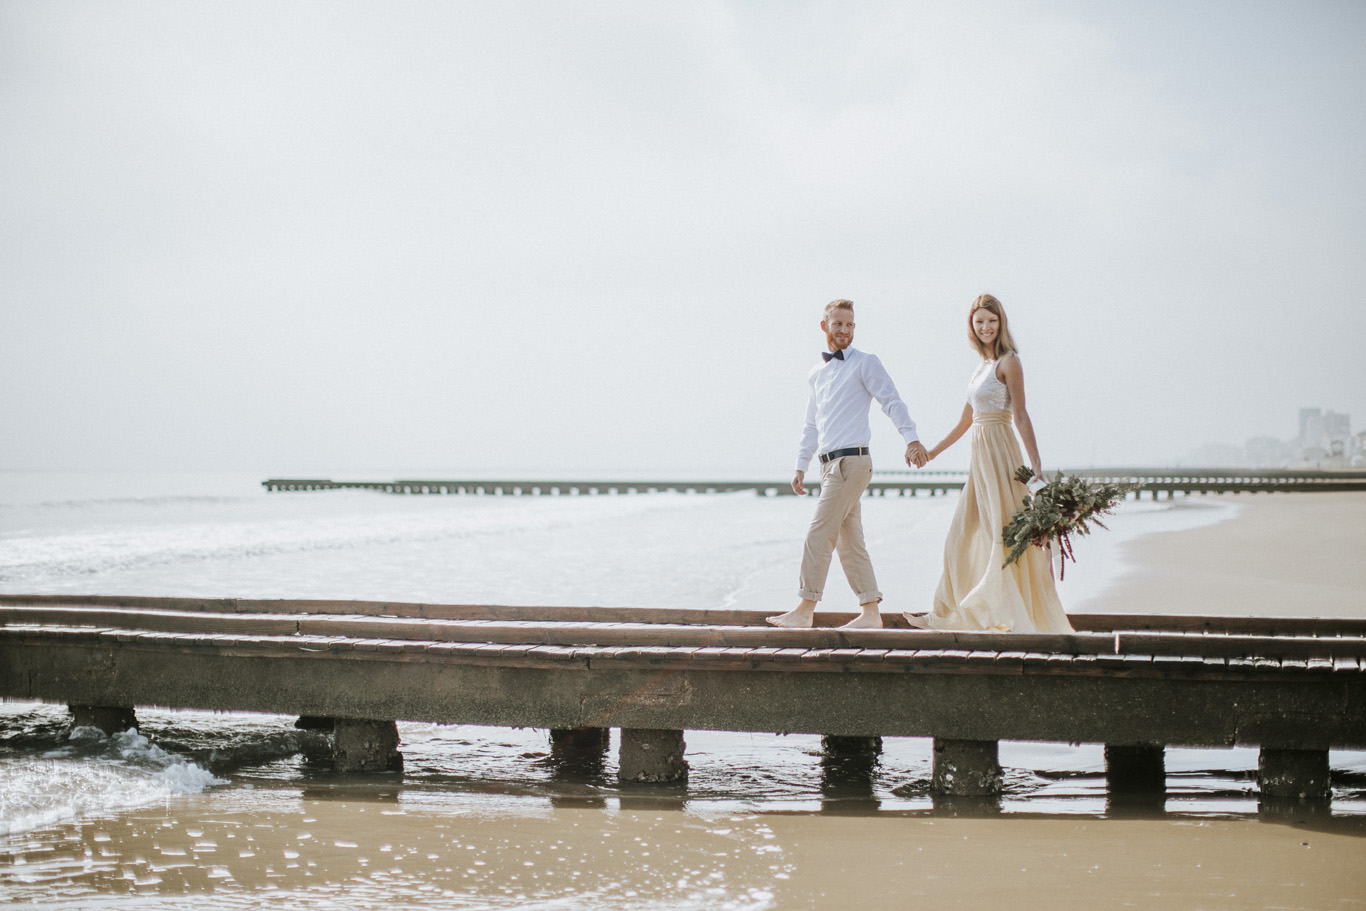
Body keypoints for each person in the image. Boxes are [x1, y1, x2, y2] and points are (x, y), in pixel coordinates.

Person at [907, 294, 1073, 633]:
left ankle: (1002, 613)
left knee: (1004, 533)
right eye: (980, 321)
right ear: (972, 325)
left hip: (1001, 454)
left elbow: (1021, 416)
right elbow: (965, 421)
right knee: (960, 534)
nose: (985, 327)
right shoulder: (980, 366)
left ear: (1001, 323)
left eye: (991, 321)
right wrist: (932, 453)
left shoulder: (1008, 362)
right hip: (978, 459)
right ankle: (947, 612)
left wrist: (1036, 469)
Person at [768, 299, 929, 630]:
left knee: (818, 534)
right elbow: (811, 425)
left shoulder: (865, 363)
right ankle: (871, 613)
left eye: (850, 324)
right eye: (838, 324)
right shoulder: (816, 374)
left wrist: (911, 438)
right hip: (828, 466)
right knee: (849, 541)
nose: (845, 330)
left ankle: (804, 609)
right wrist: (801, 465)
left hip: (852, 462)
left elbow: (891, 400)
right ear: (824, 326)